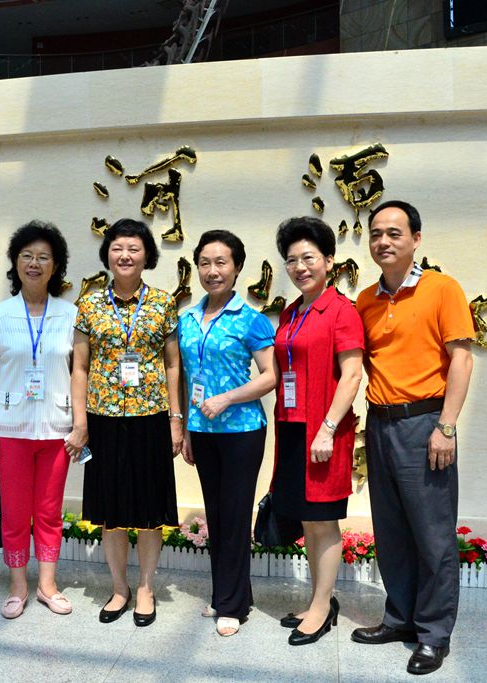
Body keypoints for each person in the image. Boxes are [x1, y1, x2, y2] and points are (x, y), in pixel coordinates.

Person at [352, 200, 475, 676]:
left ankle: (433, 634)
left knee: (433, 536)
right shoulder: (366, 300)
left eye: (394, 233)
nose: (383, 241)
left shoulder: (442, 288)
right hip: (379, 424)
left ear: (416, 239)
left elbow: (461, 358)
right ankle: (399, 618)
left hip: (425, 424)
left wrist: (447, 425)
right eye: (376, 233)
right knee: (392, 532)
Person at [66, 218, 183, 628]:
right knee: (110, 511)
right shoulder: (90, 305)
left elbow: (173, 365)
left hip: (151, 419)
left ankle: (146, 588)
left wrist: (176, 419)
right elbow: (80, 367)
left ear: (146, 255)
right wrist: (80, 422)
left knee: (150, 510)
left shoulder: (163, 303)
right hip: (104, 420)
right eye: (117, 248)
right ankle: (120, 588)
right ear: (107, 255)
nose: (125, 255)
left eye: (134, 248)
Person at [0, 220, 78, 620]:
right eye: (27, 256)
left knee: (49, 512)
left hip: (57, 430)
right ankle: (18, 585)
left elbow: (80, 373)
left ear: (56, 266)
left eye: (43, 257)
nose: (34, 264)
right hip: (10, 431)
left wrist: (80, 425)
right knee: (16, 513)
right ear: (16, 263)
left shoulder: (70, 315)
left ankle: (47, 585)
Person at [177, 230, 276, 637]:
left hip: (241, 431)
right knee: (217, 516)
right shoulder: (187, 319)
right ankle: (228, 595)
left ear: (236, 268)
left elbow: (271, 376)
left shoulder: (251, 319)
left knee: (235, 516)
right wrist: (186, 429)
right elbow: (185, 377)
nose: (212, 271)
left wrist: (227, 399)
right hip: (202, 430)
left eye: (221, 262)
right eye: (205, 263)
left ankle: (232, 605)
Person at [271, 217, 364, 646]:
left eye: (308, 258)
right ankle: (316, 600)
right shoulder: (292, 311)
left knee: (323, 522)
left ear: (329, 260)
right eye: (292, 260)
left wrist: (327, 429)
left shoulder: (341, 311)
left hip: (323, 431)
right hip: (293, 427)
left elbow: (352, 375)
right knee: (308, 522)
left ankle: (323, 608)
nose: (300, 267)